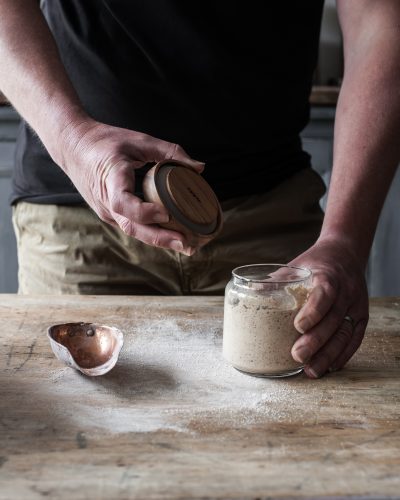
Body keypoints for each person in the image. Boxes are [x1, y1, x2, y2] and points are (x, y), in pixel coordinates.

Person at [1, 1, 399, 379]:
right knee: (74, 408)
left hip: (274, 223)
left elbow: (380, 22)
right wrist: (74, 139)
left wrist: (343, 240)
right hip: (80, 217)